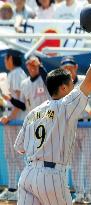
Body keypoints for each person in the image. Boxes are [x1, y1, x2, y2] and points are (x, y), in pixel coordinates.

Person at [14, 33, 91, 205]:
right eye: (72, 86)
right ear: (64, 87)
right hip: (51, 176)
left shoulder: (33, 112)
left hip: (27, 175)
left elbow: (19, 148)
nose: (74, 89)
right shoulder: (66, 104)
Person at [60, 56, 91, 203]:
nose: (68, 69)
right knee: (74, 162)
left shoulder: (86, 80)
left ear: (76, 67)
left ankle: (90, 194)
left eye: (70, 66)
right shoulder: (61, 83)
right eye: (65, 66)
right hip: (71, 126)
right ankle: (79, 194)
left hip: (87, 124)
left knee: (89, 161)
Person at [0, 49, 27, 201]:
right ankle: (12, 188)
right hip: (10, 118)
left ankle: (25, 188)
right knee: (10, 155)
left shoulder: (17, 73)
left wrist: (10, 117)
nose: (5, 61)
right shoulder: (14, 74)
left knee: (17, 155)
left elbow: (20, 102)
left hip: (15, 119)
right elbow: (11, 99)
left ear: (11, 59)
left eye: (6, 58)